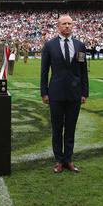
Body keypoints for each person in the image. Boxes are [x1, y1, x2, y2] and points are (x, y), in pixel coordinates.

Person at [40, 15, 88, 173]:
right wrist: (44, 92)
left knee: (71, 128)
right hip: (55, 93)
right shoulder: (49, 45)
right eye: (64, 24)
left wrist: (84, 92)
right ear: (58, 26)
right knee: (57, 127)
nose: (67, 26)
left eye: (70, 23)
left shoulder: (80, 45)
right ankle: (58, 160)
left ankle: (68, 159)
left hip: (75, 94)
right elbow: (44, 71)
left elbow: (83, 71)